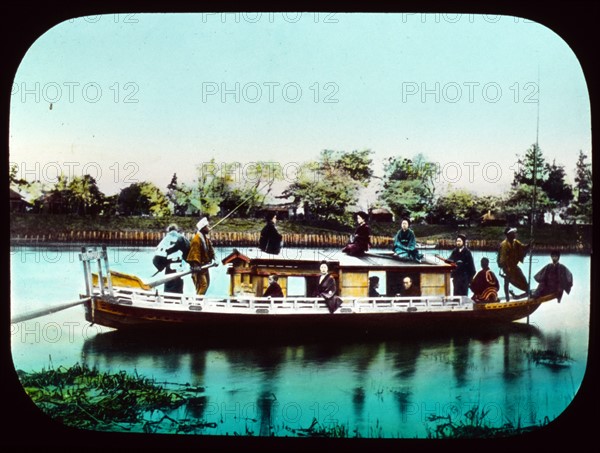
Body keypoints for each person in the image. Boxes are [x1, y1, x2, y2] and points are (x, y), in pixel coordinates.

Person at [152, 224, 190, 294]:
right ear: (177, 230)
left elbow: (156, 259)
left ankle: (167, 300)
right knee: (178, 286)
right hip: (179, 268)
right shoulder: (182, 238)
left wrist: (160, 266)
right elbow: (189, 251)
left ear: (168, 231)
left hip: (169, 267)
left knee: (168, 285)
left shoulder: (165, 240)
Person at [498, 226, 533, 301]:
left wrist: (529, 245)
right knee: (507, 281)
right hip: (506, 267)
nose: (515, 234)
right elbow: (502, 259)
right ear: (509, 235)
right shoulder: (504, 245)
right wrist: (507, 268)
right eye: (513, 233)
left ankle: (528, 291)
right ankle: (507, 298)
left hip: (513, 266)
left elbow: (522, 248)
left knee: (522, 278)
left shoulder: (515, 242)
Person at [187, 217, 217, 295]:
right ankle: (197, 303)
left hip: (205, 266)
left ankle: (199, 300)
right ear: (203, 228)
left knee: (206, 284)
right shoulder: (196, 240)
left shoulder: (205, 238)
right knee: (203, 285)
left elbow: (210, 249)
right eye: (207, 226)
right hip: (198, 267)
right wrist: (196, 265)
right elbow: (194, 253)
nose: (209, 228)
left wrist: (214, 258)